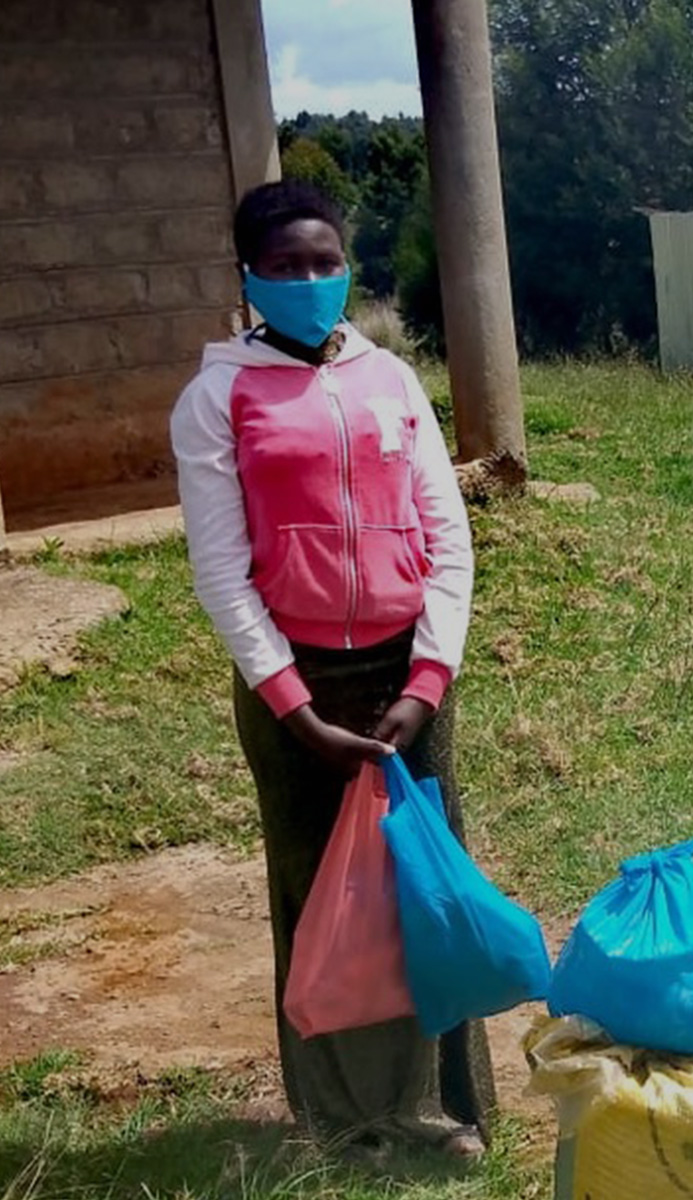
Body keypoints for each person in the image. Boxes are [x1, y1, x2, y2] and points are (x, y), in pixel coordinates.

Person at [170, 180, 485, 1159]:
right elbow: (222, 570)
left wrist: (425, 683)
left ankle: (444, 1110)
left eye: (324, 261)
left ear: (346, 264)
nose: (308, 279)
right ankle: (342, 1119)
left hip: (405, 678)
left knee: (424, 891)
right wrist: (294, 707)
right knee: (315, 901)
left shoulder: (390, 380)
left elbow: (448, 538)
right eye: (284, 266)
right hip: (294, 691)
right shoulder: (217, 394)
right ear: (248, 277)